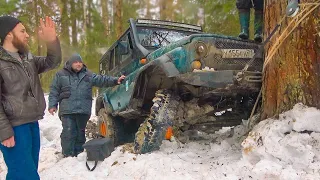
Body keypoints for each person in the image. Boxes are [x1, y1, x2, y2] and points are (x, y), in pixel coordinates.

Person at [0, 15, 62, 179]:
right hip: (13, 127)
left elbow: (52, 62)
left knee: (25, 172)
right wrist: (4, 131)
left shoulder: (28, 58)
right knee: (26, 175)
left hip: (31, 123)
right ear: (8, 34)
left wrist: (51, 41)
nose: (27, 35)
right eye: (22, 31)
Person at [48, 53, 125, 157]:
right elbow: (54, 90)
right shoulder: (60, 75)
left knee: (80, 133)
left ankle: (79, 154)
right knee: (68, 132)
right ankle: (67, 155)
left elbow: (102, 80)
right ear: (70, 63)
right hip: (67, 110)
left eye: (80, 62)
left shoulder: (88, 75)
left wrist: (116, 80)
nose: (78, 64)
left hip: (83, 110)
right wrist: (52, 105)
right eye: (75, 62)